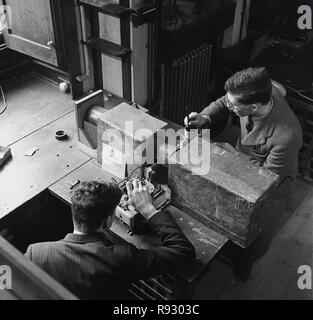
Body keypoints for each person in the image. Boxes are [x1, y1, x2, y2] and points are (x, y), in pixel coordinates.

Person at [185, 67, 303, 275]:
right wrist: (204, 117)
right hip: (247, 158)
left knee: (254, 237)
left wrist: (222, 151)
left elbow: (265, 180)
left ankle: (243, 270)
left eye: (234, 105)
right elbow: (224, 101)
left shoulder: (287, 135)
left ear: (254, 107)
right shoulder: (250, 96)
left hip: (272, 185)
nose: (228, 105)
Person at [25, 180, 195, 299]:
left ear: (74, 211)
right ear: (108, 221)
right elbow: (183, 252)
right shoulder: (121, 257)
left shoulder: (35, 252)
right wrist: (148, 209)